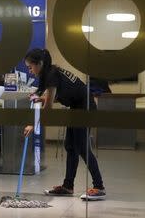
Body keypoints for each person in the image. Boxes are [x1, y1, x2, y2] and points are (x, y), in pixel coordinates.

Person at [23, 48, 106, 201]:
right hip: (77, 106)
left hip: (85, 108)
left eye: (30, 67)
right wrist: (41, 98)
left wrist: (33, 125)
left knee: (82, 148)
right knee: (70, 146)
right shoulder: (50, 72)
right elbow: (55, 97)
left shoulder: (51, 75)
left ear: (39, 63)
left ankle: (99, 186)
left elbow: (48, 109)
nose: (29, 70)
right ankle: (68, 186)